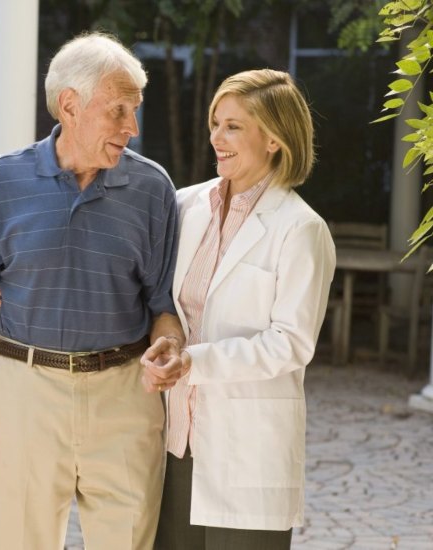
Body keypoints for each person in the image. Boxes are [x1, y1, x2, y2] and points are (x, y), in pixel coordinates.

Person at [0, 31, 186, 549]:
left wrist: (170, 343)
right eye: (119, 110)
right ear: (70, 105)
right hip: (24, 395)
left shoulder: (153, 190)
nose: (133, 127)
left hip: (124, 398)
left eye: (135, 110)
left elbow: (162, 306)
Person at [140, 69, 336, 548]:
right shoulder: (185, 206)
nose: (216, 138)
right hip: (176, 443)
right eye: (215, 123)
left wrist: (194, 361)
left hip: (249, 451)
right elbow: (144, 289)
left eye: (233, 126)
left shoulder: (300, 228)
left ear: (273, 138)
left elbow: (291, 343)